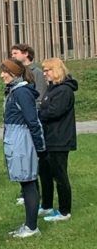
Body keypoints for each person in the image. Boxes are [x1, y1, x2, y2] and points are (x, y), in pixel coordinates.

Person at [0, 58, 45, 238]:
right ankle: (29, 223)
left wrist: (40, 147)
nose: (2, 75)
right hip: (16, 140)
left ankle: (32, 227)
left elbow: (33, 121)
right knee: (27, 182)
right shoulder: (14, 91)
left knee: (28, 183)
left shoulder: (21, 93)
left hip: (22, 141)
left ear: (14, 73)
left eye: (5, 71)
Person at [37, 58, 77, 223]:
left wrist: (37, 115)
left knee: (60, 175)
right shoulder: (52, 89)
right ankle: (46, 204)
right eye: (44, 70)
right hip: (48, 137)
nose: (45, 74)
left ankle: (64, 210)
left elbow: (54, 112)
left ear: (57, 71)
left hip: (60, 139)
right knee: (45, 173)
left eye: (48, 70)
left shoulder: (64, 90)